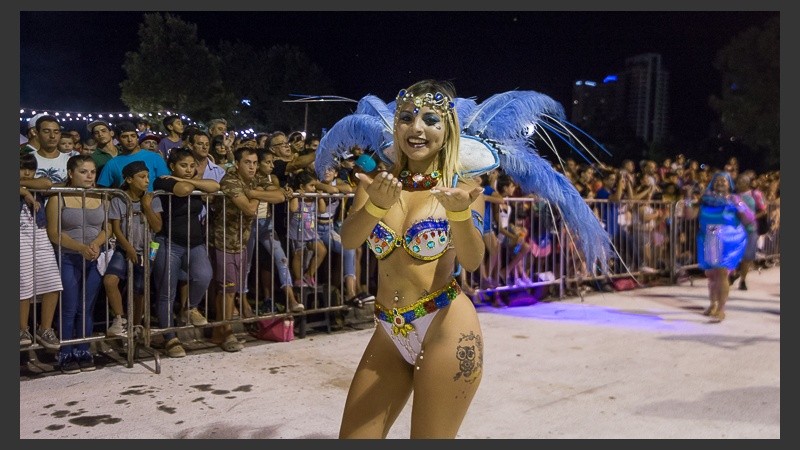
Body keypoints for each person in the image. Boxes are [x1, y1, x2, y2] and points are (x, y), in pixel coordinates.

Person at [337, 80, 486, 438]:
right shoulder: (376, 181)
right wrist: (375, 205)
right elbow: (349, 239)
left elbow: (472, 259)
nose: (416, 129)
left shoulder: (463, 185)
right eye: (406, 117)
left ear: (447, 129)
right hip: (389, 330)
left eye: (431, 120)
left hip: (445, 328)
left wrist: (460, 215)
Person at [45, 155, 111, 373]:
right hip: (68, 257)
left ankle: (84, 349)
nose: (89, 176)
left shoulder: (101, 196)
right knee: (69, 307)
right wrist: (79, 247)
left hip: (93, 257)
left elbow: (107, 228)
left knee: (87, 307)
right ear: (71, 173)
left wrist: (95, 245)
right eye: (83, 171)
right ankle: (66, 352)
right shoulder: (58, 198)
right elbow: (54, 233)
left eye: (92, 172)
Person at [152, 148, 217, 358]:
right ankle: (170, 338)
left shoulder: (189, 180)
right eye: (183, 166)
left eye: (191, 166)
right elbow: (180, 190)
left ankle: (189, 308)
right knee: (166, 293)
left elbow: (215, 186)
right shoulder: (163, 181)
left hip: (195, 243)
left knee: (204, 276)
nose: (189, 170)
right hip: (169, 242)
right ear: (172, 167)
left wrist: (195, 183)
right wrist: (194, 185)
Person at [101, 161, 163, 337]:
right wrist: (128, 247)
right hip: (125, 247)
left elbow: (157, 226)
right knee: (110, 280)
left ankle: (137, 325)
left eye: (148, 177)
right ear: (129, 179)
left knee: (140, 288)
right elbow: (116, 227)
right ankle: (120, 319)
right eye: (142, 177)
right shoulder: (119, 199)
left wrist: (146, 206)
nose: (146, 180)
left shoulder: (153, 198)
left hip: (148, 249)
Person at [208, 147, 261, 352]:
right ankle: (227, 332)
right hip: (224, 243)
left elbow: (278, 194)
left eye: (255, 163)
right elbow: (249, 209)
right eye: (248, 162)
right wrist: (257, 197)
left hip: (241, 243)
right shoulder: (230, 180)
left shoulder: (253, 182)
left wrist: (254, 193)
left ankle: (219, 333)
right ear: (237, 164)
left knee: (231, 289)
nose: (252, 167)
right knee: (228, 290)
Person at [687, 171, 754, 322]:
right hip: (711, 233)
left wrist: (741, 207)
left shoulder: (735, 199)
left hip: (729, 237)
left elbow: (749, 218)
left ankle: (721, 309)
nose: (720, 183)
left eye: (724, 181)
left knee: (722, 272)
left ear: (729, 184)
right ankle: (713, 304)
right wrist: (688, 199)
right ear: (712, 183)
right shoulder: (704, 199)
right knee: (712, 274)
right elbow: (689, 215)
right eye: (717, 180)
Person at [19, 153, 63, 350]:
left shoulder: (35, 183)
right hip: (19, 235)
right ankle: (21, 328)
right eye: (22, 167)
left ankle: (45, 328)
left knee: (53, 281)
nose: (27, 172)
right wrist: (23, 191)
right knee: (23, 283)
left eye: (31, 168)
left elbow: (46, 182)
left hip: (39, 232)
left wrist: (23, 187)